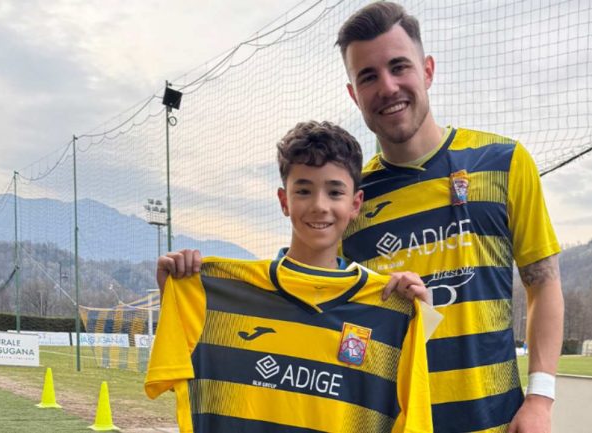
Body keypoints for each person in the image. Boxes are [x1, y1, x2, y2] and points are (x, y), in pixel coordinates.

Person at [158, 2, 564, 432]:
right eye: (368, 76)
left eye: (399, 67)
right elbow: (310, 304)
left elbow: (544, 284)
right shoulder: (349, 199)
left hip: (495, 421)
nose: (387, 87)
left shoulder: (503, 163)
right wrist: (197, 296)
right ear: (354, 93)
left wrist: (540, 399)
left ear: (427, 70)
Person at [146, 121, 437, 432]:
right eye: (304, 191)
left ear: (355, 204)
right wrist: (176, 295)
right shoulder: (217, 295)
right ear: (284, 201)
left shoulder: (389, 309)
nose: (319, 206)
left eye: (334, 192)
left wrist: (422, 315)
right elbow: (180, 378)